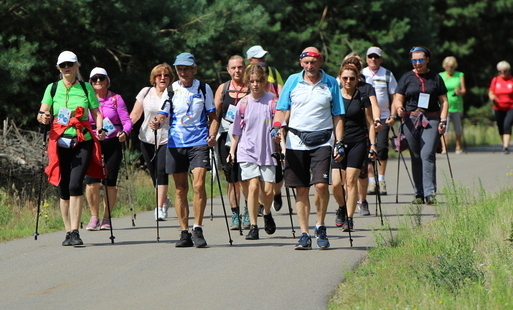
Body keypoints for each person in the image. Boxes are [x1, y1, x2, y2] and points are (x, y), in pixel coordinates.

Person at [273, 47, 345, 250]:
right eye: (306, 63)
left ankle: (320, 225)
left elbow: (338, 115)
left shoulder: (331, 83)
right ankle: (304, 233)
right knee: (301, 188)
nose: (309, 66)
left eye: (313, 62)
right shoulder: (293, 81)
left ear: (320, 61)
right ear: (300, 63)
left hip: (323, 140)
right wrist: (276, 127)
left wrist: (339, 142)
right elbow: (282, 109)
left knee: (321, 185)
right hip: (296, 141)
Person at [37, 51, 104, 246]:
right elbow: (42, 112)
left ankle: (75, 230)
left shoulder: (85, 88)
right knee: (63, 186)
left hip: (82, 140)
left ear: (77, 66)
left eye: (70, 64)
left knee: (75, 184)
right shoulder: (52, 88)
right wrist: (44, 117)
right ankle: (67, 231)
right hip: (59, 141)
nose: (67, 67)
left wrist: (100, 129)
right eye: (63, 65)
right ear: (59, 68)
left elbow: (97, 113)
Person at [152, 52, 219, 248]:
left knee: (198, 185)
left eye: (187, 68)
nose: (183, 72)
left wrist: (212, 135)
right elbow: (163, 114)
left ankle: (197, 228)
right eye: (180, 69)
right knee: (180, 190)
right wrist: (156, 122)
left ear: (194, 69)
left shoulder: (203, 88)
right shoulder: (171, 90)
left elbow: (213, 117)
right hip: (176, 143)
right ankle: (184, 232)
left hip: (198, 142)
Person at [386, 46, 448, 205]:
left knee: (427, 154)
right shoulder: (406, 77)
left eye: (420, 60)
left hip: (431, 119)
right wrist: (399, 108)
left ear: (427, 59)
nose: (417, 63)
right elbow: (398, 98)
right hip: (410, 120)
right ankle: (419, 193)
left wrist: (443, 121)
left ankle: (430, 193)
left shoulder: (435, 78)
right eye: (414, 60)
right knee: (415, 156)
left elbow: (444, 101)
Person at [228, 64, 278, 240]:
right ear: (248, 82)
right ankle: (254, 226)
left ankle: (266, 213)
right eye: (252, 81)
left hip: (267, 150)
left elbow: (280, 128)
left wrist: (283, 147)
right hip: (247, 150)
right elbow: (236, 132)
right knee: (253, 186)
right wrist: (232, 152)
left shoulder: (272, 101)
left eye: (258, 81)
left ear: (264, 81)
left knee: (268, 190)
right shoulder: (242, 103)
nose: (255, 84)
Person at [84, 67, 132, 231]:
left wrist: (125, 133)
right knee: (91, 181)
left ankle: (107, 217)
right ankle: (93, 216)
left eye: (101, 78)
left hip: (112, 141)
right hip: (93, 142)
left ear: (107, 80)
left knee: (109, 181)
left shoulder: (115, 99)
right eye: (95, 79)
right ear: (90, 82)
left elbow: (127, 121)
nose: (98, 82)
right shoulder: (87, 99)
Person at [332, 64, 376, 232]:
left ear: (357, 79)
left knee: (350, 181)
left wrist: (373, 145)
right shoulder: (334, 97)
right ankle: (341, 207)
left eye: (352, 78)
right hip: (338, 142)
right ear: (340, 79)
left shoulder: (362, 97)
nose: (348, 81)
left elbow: (370, 123)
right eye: (345, 78)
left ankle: (349, 218)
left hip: (357, 142)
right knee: (336, 184)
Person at [130, 63, 174, 220]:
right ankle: (165, 200)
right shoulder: (145, 92)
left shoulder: (173, 93)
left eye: (166, 75)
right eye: (159, 75)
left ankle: (159, 207)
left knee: (162, 171)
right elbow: (135, 114)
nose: (162, 78)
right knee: (154, 172)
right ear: (153, 78)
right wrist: (125, 128)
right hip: (146, 138)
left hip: (166, 138)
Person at [214, 55, 250, 230]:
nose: (237, 71)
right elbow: (214, 114)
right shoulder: (223, 88)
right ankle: (235, 213)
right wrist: (211, 135)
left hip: (248, 138)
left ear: (245, 68)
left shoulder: (252, 87)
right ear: (228, 70)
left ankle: (247, 210)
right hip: (226, 138)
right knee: (232, 179)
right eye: (233, 68)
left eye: (240, 67)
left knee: (247, 178)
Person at [362, 47, 398, 195]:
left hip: (383, 116)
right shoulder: (361, 74)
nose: (373, 59)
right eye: (370, 57)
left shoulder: (387, 74)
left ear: (381, 59)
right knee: (368, 148)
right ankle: (371, 181)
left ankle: (381, 180)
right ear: (366, 59)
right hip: (366, 117)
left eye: (376, 57)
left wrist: (393, 115)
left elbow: (395, 96)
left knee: (382, 148)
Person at [439, 56, 466, 154]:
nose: (449, 68)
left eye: (451, 66)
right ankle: (444, 147)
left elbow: (464, 90)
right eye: (447, 66)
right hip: (444, 106)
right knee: (444, 127)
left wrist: (459, 91)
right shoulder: (441, 75)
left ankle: (459, 146)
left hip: (457, 106)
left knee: (457, 127)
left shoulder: (459, 75)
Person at [488, 61, 513, 154]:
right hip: (498, 107)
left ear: (508, 71)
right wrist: (492, 96)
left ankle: (506, 147)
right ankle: (504, 144)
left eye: (504, 71)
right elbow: (491, 91)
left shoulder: (511, 80)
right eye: (500, 71)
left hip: (511, 106)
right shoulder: (495, 80)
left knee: (507, 125)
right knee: (501, 126)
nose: (502, 73)